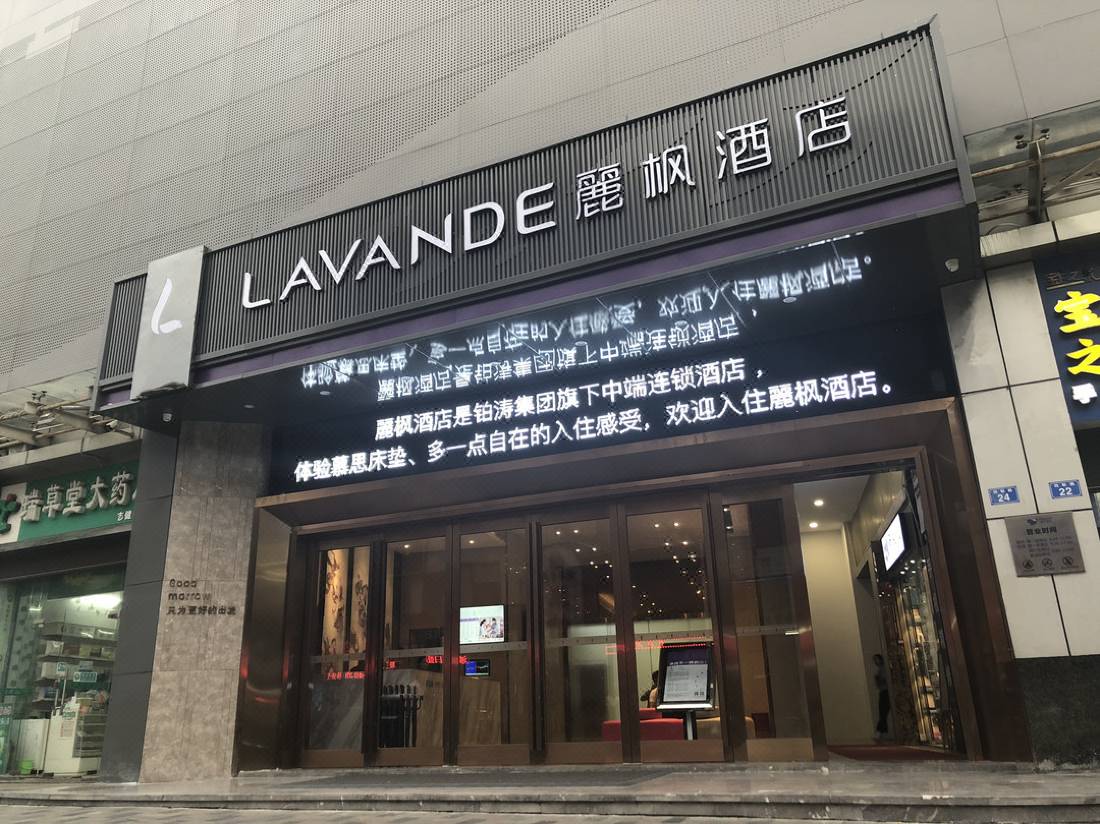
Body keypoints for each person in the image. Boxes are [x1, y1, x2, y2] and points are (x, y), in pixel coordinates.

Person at [873, 653, 890, 742]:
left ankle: (879, 732)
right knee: (883, 713)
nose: (875, 661)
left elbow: (884, 680)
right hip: (882, 691)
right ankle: (883, 733)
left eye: (877, 659)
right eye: (874, 660)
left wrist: (878, 679)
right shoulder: (879, 669)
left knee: (883, 712)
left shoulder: (883, 669)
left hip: (886, 692)